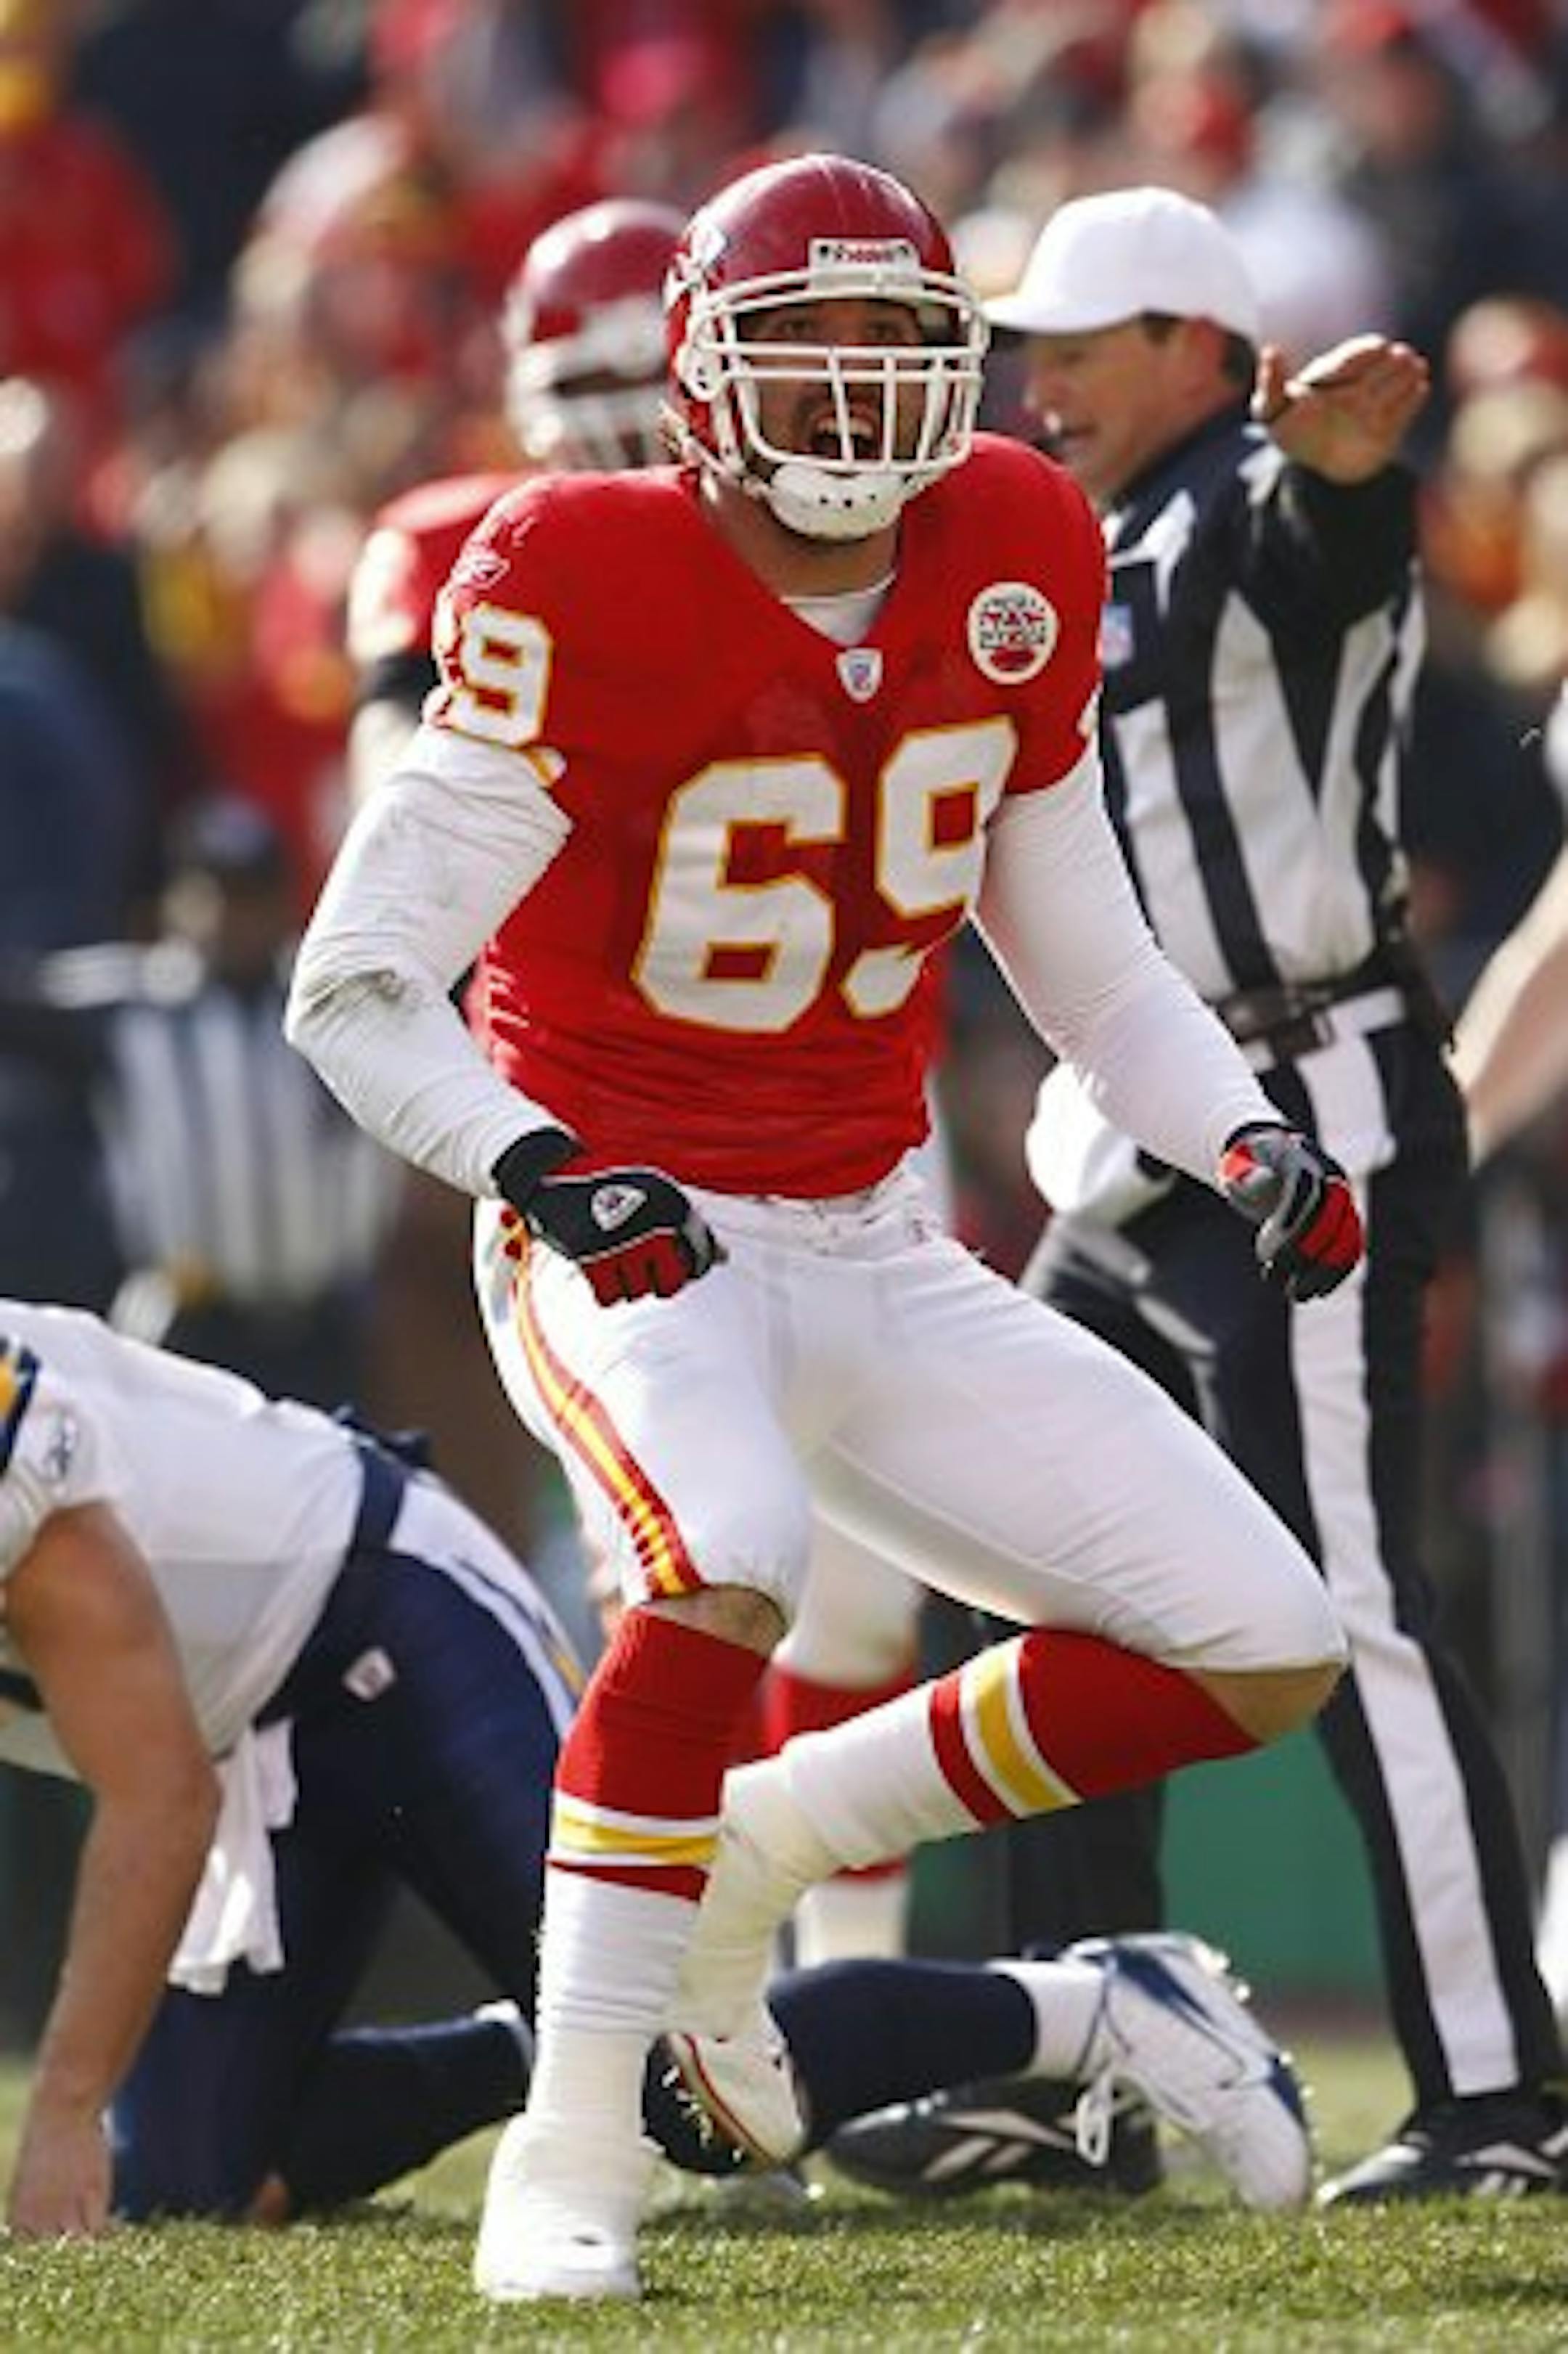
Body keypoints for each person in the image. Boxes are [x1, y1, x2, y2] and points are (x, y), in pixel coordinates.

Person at [285, 150, 1360, 2303]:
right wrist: (535, 1163)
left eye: (898, 341)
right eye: (811, 340)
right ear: (704, 371)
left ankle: (768, 1840)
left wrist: (1246, 1138)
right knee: (731, 1568)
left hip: (875, 1236)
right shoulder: (580, 563)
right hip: (637, 1224)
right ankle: (571, 2149)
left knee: (1264, 1636)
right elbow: (356, 978)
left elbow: (1093, 961)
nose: (861, 391)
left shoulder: (1019, 546)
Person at [832, 184, 1567, 2212]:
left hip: (1301, 1094)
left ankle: (1504, 2094)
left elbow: (1323, 549)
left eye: (1083, 343)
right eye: (1032, 345)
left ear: (1201, 353)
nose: (1039, 381)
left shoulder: (1257, 495)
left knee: (1348, 1603)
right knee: (1025, 1541)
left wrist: (1347, 466)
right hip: (1132, 1122)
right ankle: (1083, 2058)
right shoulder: (1061, 535)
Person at [0, 1294, 1313, 2236]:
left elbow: (156, 1795)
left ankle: (1102, 2007)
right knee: (183, 2183)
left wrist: (59, 2105)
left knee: (687, 2090)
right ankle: (556, 2042)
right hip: (241, 1728)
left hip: (381, 1610)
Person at [346, 191, 928, 1961]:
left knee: (866, 1585)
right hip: (603, 1109)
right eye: (574, 372)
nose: (606, 408)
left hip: (840, 1106)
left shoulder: (878, 532)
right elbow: (405, 819)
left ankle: (853, 2002)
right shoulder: (489, 541)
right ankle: (678, 2000)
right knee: (677, 1565)